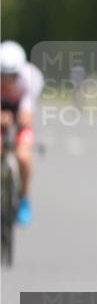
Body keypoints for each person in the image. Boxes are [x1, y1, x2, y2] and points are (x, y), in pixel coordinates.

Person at [0, 41, 43, 225]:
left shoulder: (31, 77)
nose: (8, 81)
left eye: (13, 76)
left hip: (19, 111)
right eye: (3, 75)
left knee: (23, 157)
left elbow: (27, 112)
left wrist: (21, 119)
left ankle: (24, 197)